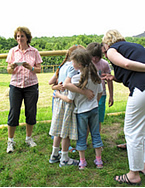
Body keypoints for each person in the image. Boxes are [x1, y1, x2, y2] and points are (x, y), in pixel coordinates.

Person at [102, 29, 145, 185]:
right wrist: (113, 77)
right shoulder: (134, 47)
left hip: (141, 90)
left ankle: (133, 174)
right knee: (142, 129)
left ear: (107, 43)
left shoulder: (113, 49)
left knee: (132, 131)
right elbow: (128, 69)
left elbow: (127, 64)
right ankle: (143, 165)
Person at [55, 48, 104, 170]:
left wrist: (58, 95)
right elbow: (100, 92)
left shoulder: (76, 80)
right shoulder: (95, 76)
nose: (72, 64)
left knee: (82, 136)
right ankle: (99, 161)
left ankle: (82, 162)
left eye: (73, 62)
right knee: (96, 134)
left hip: (81, 112)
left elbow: (69, 98)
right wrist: (95, 103)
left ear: (79, 64)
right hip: (94, 110)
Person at [49, 45, 94, 167]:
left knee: (58, 130)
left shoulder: (63, 65)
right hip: (66, 100)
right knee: (66, 132)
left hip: (59, 101)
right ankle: (64, 158)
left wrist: (57, 93)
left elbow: (54, 82)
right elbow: (69, 87)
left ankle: (54, 154)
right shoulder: (73, 68)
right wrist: (84, 92)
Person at [6, 26, 42, 153]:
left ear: (27, 38)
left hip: (31, 86)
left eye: (22, 36)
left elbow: (39, 69)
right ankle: (10, 141)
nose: (19, 38)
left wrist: (30, 67)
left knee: (31, 112)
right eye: (17, 36)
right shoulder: (12, 51)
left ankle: (29, 138)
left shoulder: (34, 51)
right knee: (13, 112)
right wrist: (13, 67)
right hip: (15, 85)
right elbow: (8, 70)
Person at [86, 42, 113, 131]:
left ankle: (97, 140)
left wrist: (111, 96)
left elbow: (109, 81)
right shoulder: (86, 63)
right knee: (86, 118)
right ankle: (84, 141)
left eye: (97, 56)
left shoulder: (104, 64)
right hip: (87, 94)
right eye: (93, 56)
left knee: (98, 118)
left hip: (101, 94)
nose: (95, 59)